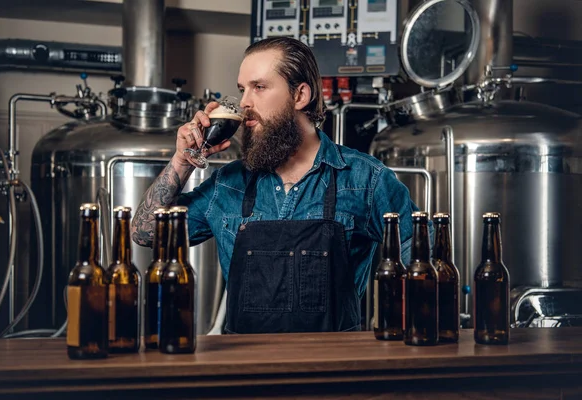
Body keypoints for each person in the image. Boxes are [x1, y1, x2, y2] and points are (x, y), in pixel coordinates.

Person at [131, 37, 420, 334]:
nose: (244, 103)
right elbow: (146, 233)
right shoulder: (228, 185)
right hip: (243, 366)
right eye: (242, 89)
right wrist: (182, 160)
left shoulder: (366, 179)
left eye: (259, 87)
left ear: (300, 95)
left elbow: (424, 268)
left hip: (332, 367)